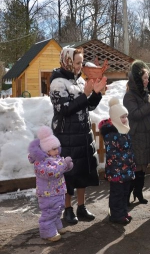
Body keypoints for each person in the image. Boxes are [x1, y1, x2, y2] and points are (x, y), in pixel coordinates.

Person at [49, 47, 107, 224]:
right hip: (66, 136)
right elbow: (64, 109)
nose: (80, 66)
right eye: (77, 63)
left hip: (82, 134)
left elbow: (88, 106)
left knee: (82, 172)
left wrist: (95, 93)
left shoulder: (80, 80)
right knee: (68, 174)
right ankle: (68, 209)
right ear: (67, 61)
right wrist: (86, 94)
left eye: (81, 62)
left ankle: (81, 207)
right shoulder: (57, 82)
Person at [123, 60, 150, 204]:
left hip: (147, 134)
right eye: (144, 78)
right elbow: (135, 114)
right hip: (136, 135)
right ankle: (126, 196)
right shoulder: (130, 95)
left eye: (148, 78)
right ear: (137, 79)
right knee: (136, 167)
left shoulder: (145, 93)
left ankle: (138, 193)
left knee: (143, 168)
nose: (147, 81)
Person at [28, 126, 74, 241]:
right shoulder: (40, 162)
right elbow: (51, 172)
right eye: (53, 149)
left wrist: (67, 165)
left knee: (58, 209)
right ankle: (47, 232)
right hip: (47, 193)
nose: (57, 151)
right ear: (46, 150)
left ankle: (56, 226)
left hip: (58, 190)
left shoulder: (55, 157)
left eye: (57, 148)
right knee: (49, 212)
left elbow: (61, 169)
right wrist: (63, 165)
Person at [99, 97, 136, 225]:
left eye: (126, 116)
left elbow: (128, 150)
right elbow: (113, 154)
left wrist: (131, 163)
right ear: (115, 118)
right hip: (117, 170)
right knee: (117, 193)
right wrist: (125, 161)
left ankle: (123, 212)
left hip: (126, 169)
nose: (125, 119)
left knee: (125, 192)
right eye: (122, 117)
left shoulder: (124, 130)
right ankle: (116, 215)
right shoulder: (111, 134)